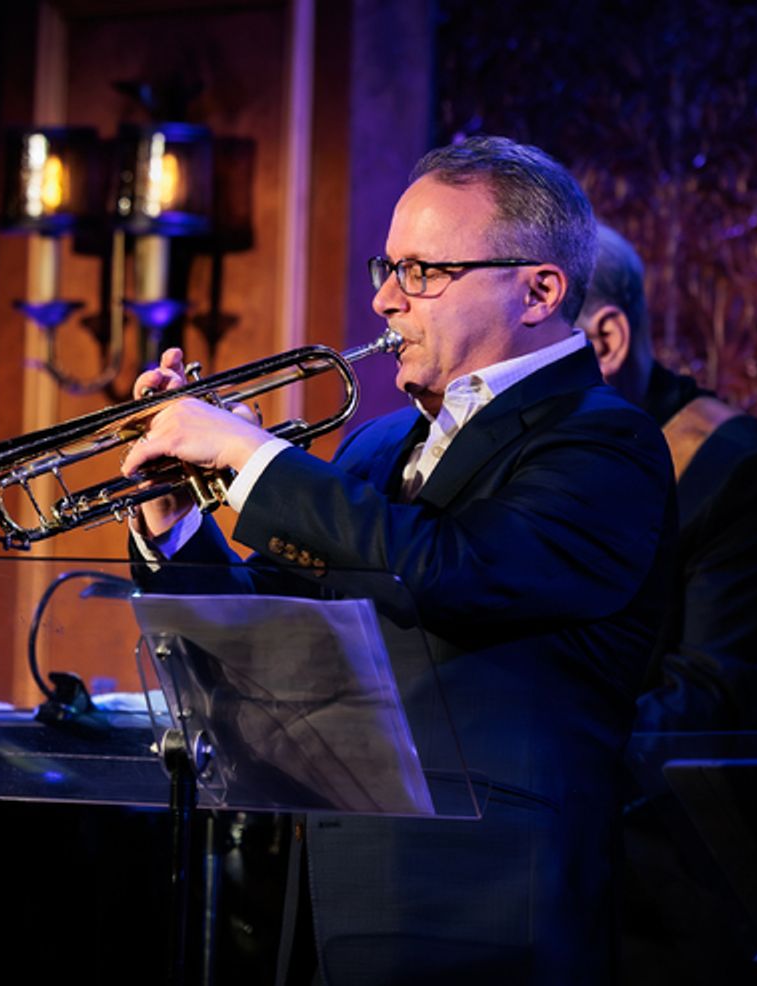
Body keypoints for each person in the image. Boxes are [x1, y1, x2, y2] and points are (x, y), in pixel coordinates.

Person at [121, 137, 676, 984]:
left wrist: (253, 459)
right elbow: (266, 631)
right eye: (388, 267)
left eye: (422, 272)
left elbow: (453, 571)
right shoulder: (375, 445)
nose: (384, 298)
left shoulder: (606, 442)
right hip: (325, 892)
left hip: (488, 906)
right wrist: (174, 522)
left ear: (539, 291)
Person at [575, 223, 757, 983]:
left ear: (605, 340)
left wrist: (536, 750)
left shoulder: (731, 468)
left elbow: (712, 699)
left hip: (685, 885)